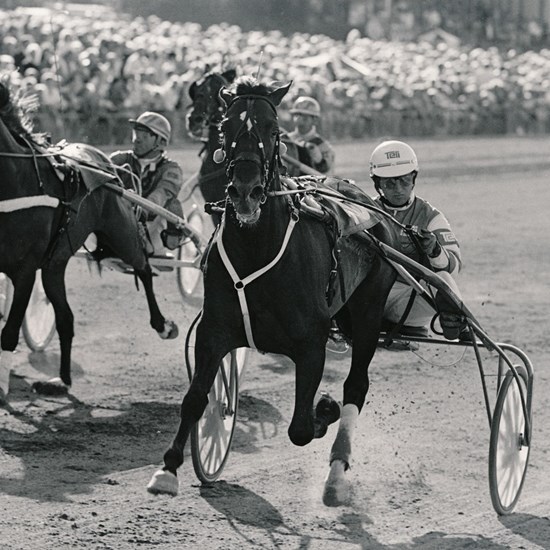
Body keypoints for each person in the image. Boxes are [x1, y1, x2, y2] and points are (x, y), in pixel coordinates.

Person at [369, 140, 466, 342]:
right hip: (370, 298)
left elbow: (454, 268)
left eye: (404, 181)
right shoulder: (365, 213)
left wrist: (435, 251)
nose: (398, 189)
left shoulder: (431, 217)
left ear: (414, 178)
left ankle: (457, 324)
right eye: (389, 183)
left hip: (409, 300)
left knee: (445, 280)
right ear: (377, 184)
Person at [110, 111, 186, 255]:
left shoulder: (171, 169)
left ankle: (170, 238)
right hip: (121, 217)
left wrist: (140, 209)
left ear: (160, 142)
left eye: (144, 136)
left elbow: (162, 194)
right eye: (136, 135)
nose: (136, 140)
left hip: (154, 224)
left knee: (173, 204)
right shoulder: (119, 160)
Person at [285, 96, 335, 175]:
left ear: (315, 120)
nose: (299, 119)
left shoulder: (322, 145)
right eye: (297, 115)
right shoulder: (285, 139)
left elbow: (326, 173)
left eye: (304, 117)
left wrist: (319, 160)